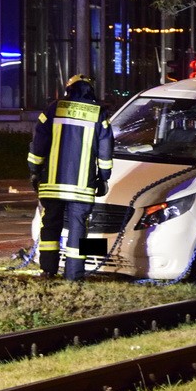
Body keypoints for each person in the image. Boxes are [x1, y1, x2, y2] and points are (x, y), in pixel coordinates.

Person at [27, 74, 114, 281]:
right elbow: (105, 151)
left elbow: (38, 144)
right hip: (82, 186)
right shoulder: (99, 114)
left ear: (69, 89)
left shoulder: (52, 109)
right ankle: (74, 276)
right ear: (90, 90)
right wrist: (103, 178)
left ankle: (47, 270)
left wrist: (34, 170)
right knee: (78, 230)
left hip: (52, 183)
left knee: (50, 226)